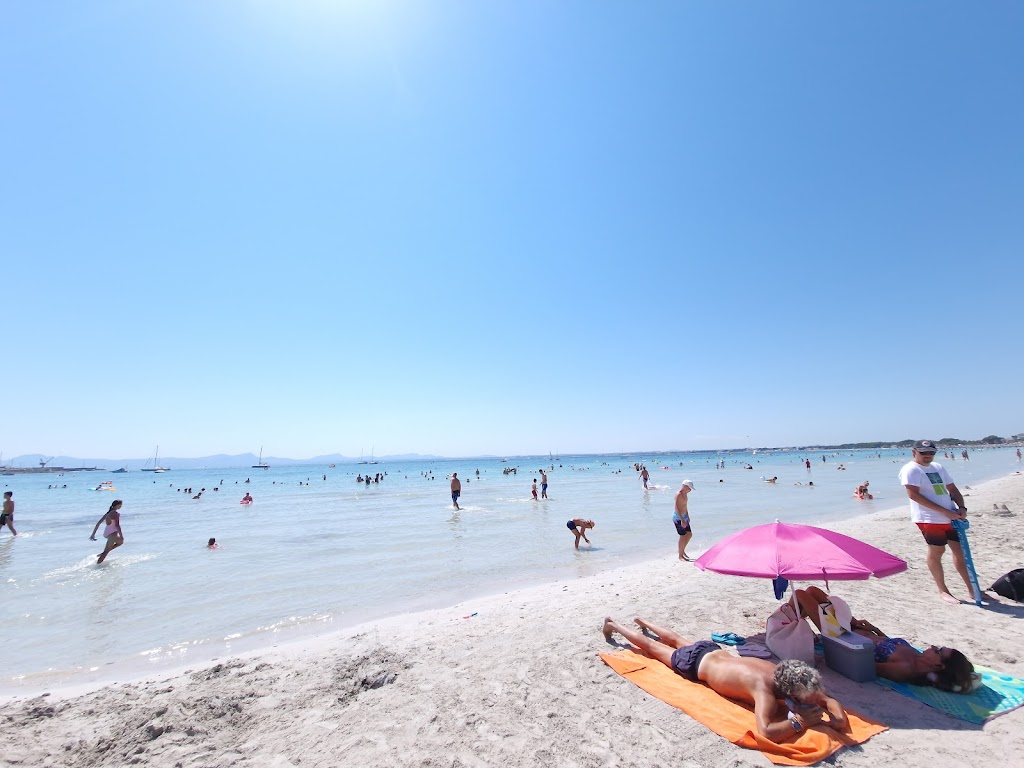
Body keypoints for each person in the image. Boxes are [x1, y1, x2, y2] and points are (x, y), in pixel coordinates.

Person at [602, 617, 848, 740]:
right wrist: (800, 722)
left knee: (677, 639)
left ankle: (645, 621)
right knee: (652, 648)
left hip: (713, 650)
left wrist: (838, 717)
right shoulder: (764, 691)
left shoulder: (783, 673)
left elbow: (826, 698)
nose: (811, 699)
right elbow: (766, 730)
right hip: (695, 664)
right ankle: (613, 624)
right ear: (792, 692)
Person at [795, 586, 975, 693]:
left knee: (801, 595)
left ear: (938, 666)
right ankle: (795, 624)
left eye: (938, 651)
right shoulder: (919, 657)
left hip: (840, 638)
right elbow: (887, 643)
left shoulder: (904, 669)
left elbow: (861, 666)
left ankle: (788, 624)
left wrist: (828, 657)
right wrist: (873, 629)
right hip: (853, 628)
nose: (934, 646)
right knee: (812, 591)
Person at [899, 439, 972, 605]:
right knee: (937, 552)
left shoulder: (938, 467)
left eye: (931, 453)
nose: (928, 456)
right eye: (923, 453)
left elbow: (952, 489)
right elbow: (913, 495)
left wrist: (961, 507)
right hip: (929, 518)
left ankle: (972, 589)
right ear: (914, 452)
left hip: (951, 516)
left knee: (960, 552)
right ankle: (943, 590)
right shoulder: (911, 469)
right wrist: (944, 511)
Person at [90, 500, 124, 564]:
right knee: (106, 551)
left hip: (107, 533)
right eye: (121, 505)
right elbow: (117, 525)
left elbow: (98, 523)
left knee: (120, 542)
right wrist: (121, 535)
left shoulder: (108, 513)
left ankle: (102, 554)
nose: (121, 506)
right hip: (112, 534)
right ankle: (98, 565)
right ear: (117, 505)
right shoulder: (116, 514)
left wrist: (93, 534)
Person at [673, 480, 695, 561]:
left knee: (689, 534)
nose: (690, 490)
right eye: (689, 488)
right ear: (685, 486)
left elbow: (685, 506)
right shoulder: (679, 494)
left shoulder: (685, 494)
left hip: (685, 516)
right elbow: (676, 508)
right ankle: (680, 556)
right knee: (682, 536)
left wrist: (687, 516)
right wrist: (682, 520)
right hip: (678, 518)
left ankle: (682, 551)